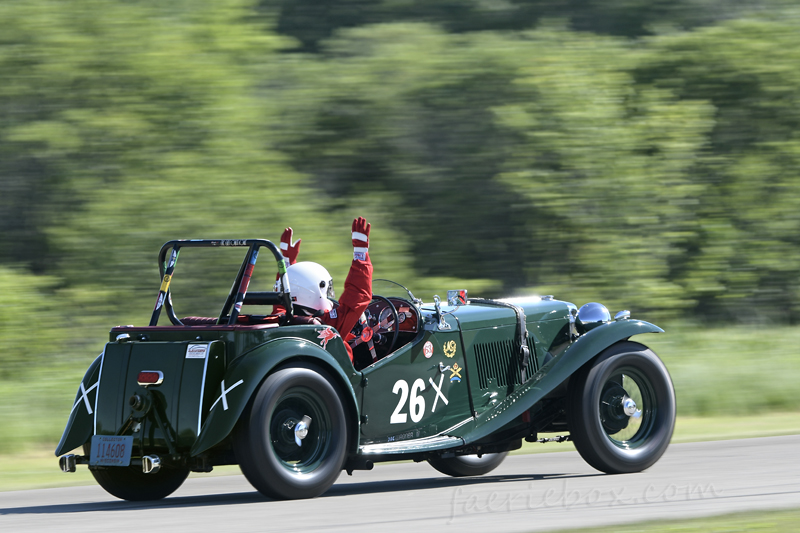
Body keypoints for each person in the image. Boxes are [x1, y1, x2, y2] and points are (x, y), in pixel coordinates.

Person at [274, 217, 373, 363]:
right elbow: (358, 295)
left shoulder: (280, 319)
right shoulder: (326, 325)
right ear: (314, 291)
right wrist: (361, 253)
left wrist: (287, 262)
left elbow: (286, 295)